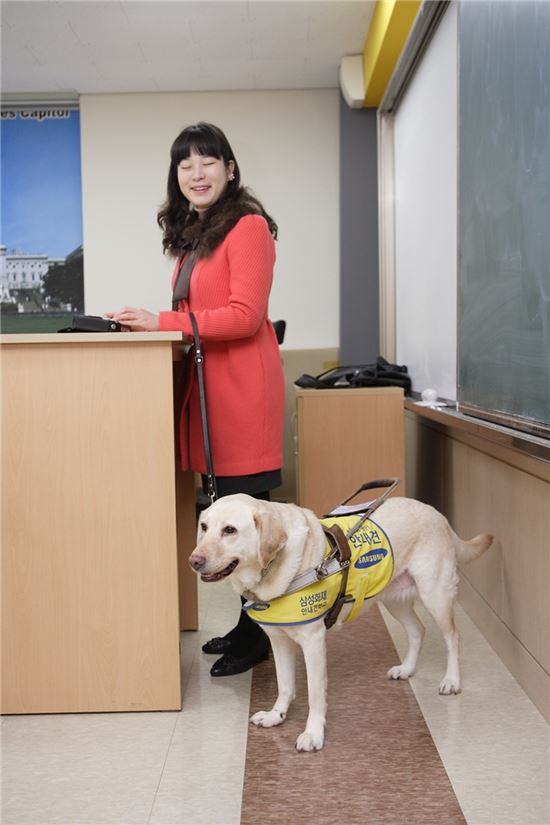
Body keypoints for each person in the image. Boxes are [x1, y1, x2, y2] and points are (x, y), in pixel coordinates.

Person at [107, 122, 285, 677]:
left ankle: (262, 633)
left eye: (208, 161)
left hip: (242, 392)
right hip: (210, 394)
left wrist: (160, 320)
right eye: (185, 165)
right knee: (225, 516)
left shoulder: (248, 226)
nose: (196, 173)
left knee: (246, 522)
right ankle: (247, 626)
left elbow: (245, 315)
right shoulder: (197, 236)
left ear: (230, 170)